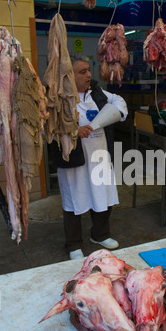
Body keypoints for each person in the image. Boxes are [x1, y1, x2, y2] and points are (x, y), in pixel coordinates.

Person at [57, 55, 128, 260]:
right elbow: (47, 127)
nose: (89, 75)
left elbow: (119, 102)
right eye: (82, 72)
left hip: (99, 155)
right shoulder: (59, 98)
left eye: (88, 70)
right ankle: (73, 244)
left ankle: (100, 235)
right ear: (69, 76)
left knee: (103, 196)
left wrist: (109, 116)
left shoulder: (97, 93)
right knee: (74, 199)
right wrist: (72, 130)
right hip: (74, 159)